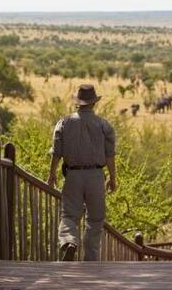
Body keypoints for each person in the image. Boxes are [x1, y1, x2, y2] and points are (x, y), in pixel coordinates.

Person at [47, 84, 117, 261]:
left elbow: (57, 151)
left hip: (73, 175)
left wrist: (52, 173)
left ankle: (69, 241)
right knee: (95, 220)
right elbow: (110, 154)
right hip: (95, 176)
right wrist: (112, 178)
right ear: (94, 103)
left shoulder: (64, 123)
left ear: (78, 103)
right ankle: (91, 259)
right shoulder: (103, 125)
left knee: (69, 215)